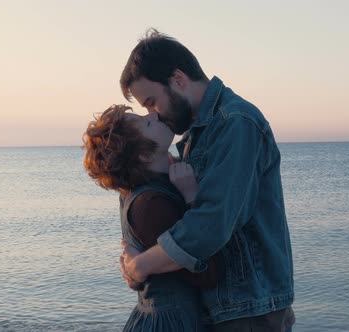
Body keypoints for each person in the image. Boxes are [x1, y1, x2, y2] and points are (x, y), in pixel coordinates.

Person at [118, 29, 296, 331]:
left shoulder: (235, 123)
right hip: (226, 306)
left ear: (178, 80)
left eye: (152, 101)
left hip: (249, 307)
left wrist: (140, 266)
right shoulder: (198, 133)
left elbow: (211, 223)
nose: (153, 114)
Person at [82, 104, 217, 331]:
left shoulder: (141, 191)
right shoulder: (151, 204)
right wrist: (192, 196)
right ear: (144, 154)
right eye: (147, 123)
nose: (154, 114)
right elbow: (208, 274)